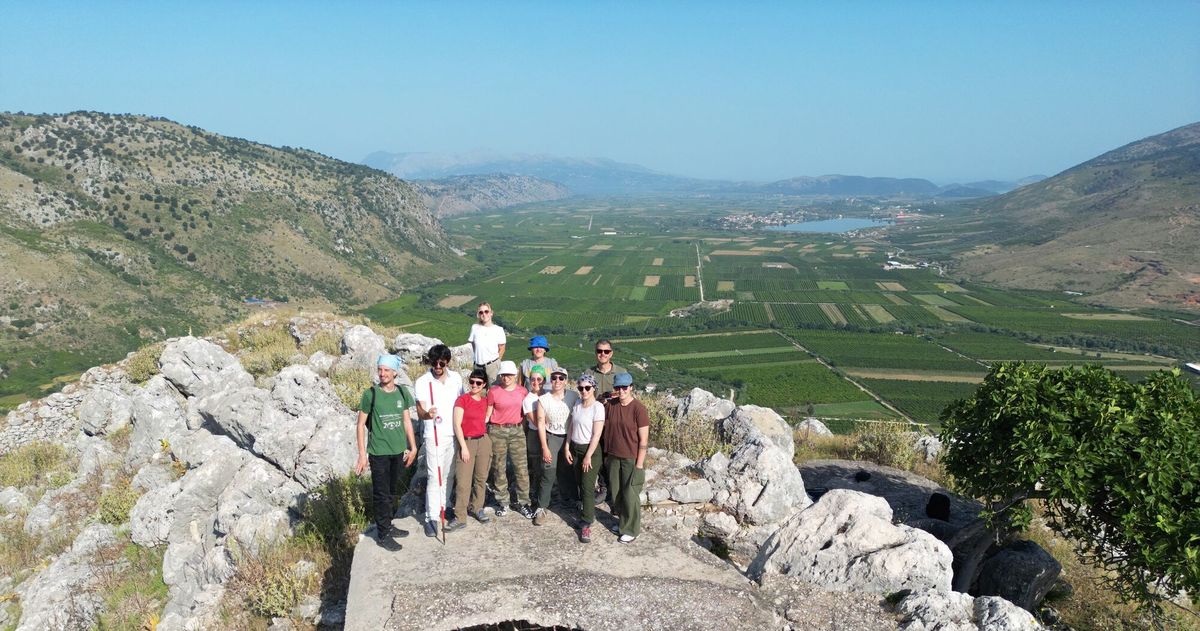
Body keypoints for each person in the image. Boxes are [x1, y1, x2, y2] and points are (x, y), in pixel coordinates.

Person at [354, 354, 417, 550]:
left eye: (386, 370)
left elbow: (407, 421)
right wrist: (363, 455)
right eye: (380, 370)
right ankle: (382, 534)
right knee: (381, 494)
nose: (382, 374)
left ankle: (388, 525)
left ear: (395, 372)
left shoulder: (402, 393)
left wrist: (413, 447)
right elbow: (360, 425)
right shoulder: (370, 394)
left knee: (391, 492)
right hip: (379, 452)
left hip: (398, 451)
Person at [414, 344, 463, 538]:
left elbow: (461, 403)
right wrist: (427, 414)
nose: (437, 366)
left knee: (449, 473)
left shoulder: (457, 379)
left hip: (454, 433)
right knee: (435, 476)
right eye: (434, 362)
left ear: (447, 362)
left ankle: (445, 505)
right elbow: (420, 410)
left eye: (441, 363)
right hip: (434, 433)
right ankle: (431, 516)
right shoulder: (422, 382)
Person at [603, 372, 650, 543]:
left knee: (630, 494)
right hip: (614, 456)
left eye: (624, 387)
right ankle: (623, 523)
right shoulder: (611, 405)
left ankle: (632, 529)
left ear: (631, 387)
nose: (621, 391)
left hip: (631, 458)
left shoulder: (639, 409)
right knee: (617, 494)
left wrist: (639, 464)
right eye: (618, 387)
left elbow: (644, 440)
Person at [486, 360, 533, 518]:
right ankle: (503, 501)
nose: (506, 378)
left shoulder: (522, 392)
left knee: (521, 468)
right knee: (499, 468)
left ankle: (523, 501)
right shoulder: (493, 391)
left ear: (515, 375)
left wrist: (522, 428)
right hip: (496, 430)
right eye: (503, 375)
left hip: (516, 430)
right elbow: (488, 413)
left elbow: (526, 413)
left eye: (510, 375)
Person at [447, 368, 492, 531]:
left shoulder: (486, 401)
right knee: (463, 482)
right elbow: (457, 424)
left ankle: (477, 507)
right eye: (472, 381)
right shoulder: (462, 400)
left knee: (481, 478)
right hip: (467, 442)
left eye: (478, 383)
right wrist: (463, 447)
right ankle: (460, 516)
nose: (474, 385)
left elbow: (489, 413)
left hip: (483, 440)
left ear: (484, 384)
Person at [583, 338, 627, 503]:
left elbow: (628, 396)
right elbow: (584, 395)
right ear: (595, 353)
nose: (602, 354)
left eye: (606, 351)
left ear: (611, 353)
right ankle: (604, 486)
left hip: (614, 421)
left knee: (613, 455)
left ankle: (615, 488)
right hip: (595, 421)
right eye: (599, 351)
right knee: (599, 455)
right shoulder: (589, 373)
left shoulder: (621, 372)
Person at [532, 366, 577, 526]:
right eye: (554, 378)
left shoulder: (573, 396)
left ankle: (571, 500)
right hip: (551, 437)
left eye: (561, 378)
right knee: (548, 472)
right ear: (550, 380)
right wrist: (544, 447)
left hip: (569, 438)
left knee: (567, 471)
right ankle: (541, 507)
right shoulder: (544, 400)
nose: (557, 381)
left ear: (566, 380)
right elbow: (541, 423)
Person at [564, 373, 605, 543]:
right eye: (581, 388)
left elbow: (596, 435)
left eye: (587, 387)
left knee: (588, 487)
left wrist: (588, 455)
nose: (584, 391)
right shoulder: (577, 404)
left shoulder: (597, 408)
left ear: (593, 388)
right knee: (580, 483)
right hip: (575, 448)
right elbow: (571, 427)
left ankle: (587, 523)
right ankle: (585, 513)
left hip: (591, 451)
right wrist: (567, 446)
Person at [522, 365, 547, 500]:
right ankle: (536, 494)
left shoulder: (548, 394)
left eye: (539, 379)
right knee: (537, 466)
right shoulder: (528, 400)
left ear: (544, 380)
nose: (536, 382)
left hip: (547, 433)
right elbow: (537, 423)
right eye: (533, 379)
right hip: (535, 435)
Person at [469, 302, 506, 385]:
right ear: (478, 314)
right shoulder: (474, 328)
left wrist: (496, 363)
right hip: (478, 366)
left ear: (491, 313)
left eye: (486, 311)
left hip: (492, 366)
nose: (484, 314)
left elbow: (502, 348)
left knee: (493, 392)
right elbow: (473, 346)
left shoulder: (498, 330)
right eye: (481, 312)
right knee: (479, 391)